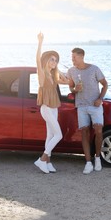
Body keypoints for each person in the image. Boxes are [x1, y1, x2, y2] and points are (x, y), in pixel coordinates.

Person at [67, 48, 108, 174]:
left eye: (74, 57)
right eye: (72, 57)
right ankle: (88, 162)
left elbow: (105, 84)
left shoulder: (94, 69)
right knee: (84, 132)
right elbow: (70, 87)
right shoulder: (71, 71)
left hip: (95, 105)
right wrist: (75, 89)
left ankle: (97, 158)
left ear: (81, 56)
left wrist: (100, 99)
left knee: (99, 130)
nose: (72, 59)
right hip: (81, 106)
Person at [34, 32, 69, 174]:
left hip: (54, 108)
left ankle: (47, 163)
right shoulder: (42, 74)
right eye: (51, 59)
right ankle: (42, 159)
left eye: (56, 60)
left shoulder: (53, 76)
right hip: (46, 108)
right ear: (46, 60)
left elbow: (66, 81)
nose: (54, 62)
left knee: (50, 136)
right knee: (58, 135)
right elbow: (37, 59)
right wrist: (40, 43)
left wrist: (60, 71)